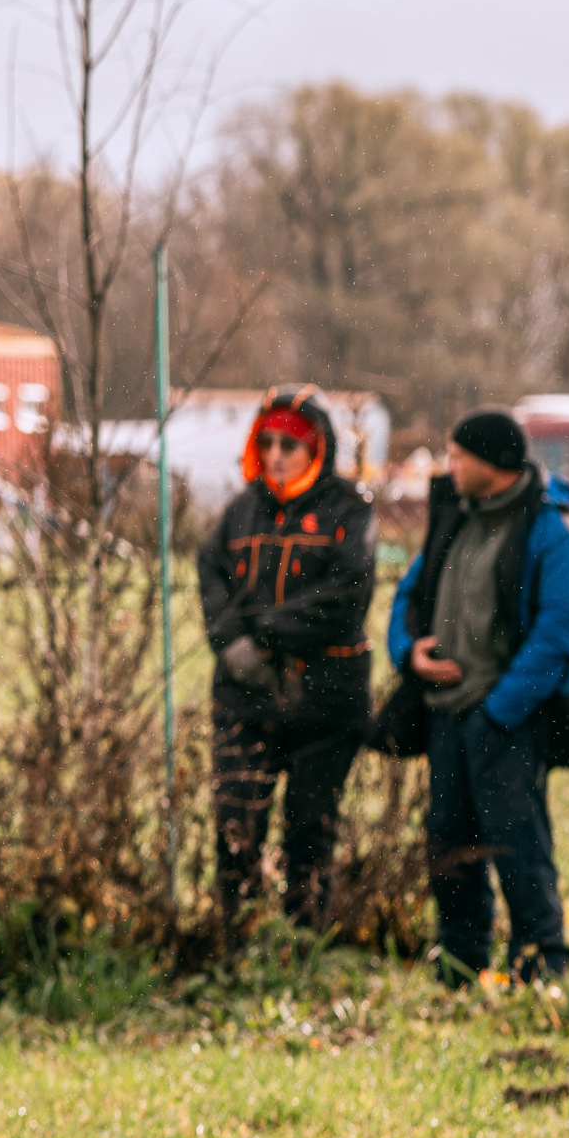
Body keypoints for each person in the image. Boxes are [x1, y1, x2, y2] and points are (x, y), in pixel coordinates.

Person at [386, 406, 569, 983]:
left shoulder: (556, 533)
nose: (448, 465)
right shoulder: (457, 518)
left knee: (517, 846)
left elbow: (560, 634)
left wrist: (499, 712)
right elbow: (407, 596)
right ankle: (459, 965)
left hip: (510, 720)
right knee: (448, 848)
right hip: (446, 716)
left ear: (493, 462)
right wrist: (409, 654)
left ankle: (538, 968)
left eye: (457, 455)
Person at [196, 385, 378, 932]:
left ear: (316, 449)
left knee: (310, 827)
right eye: (267, 441)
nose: (276, 454)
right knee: (236, 822)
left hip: (326, 697)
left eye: (290, 444)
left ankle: (304, 939)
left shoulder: (348, 512)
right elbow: (211, 579)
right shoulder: (240, 511)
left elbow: (346, 596)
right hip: (244, 698)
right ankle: (239, 934)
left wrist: (269, 638)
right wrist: (232, 646)